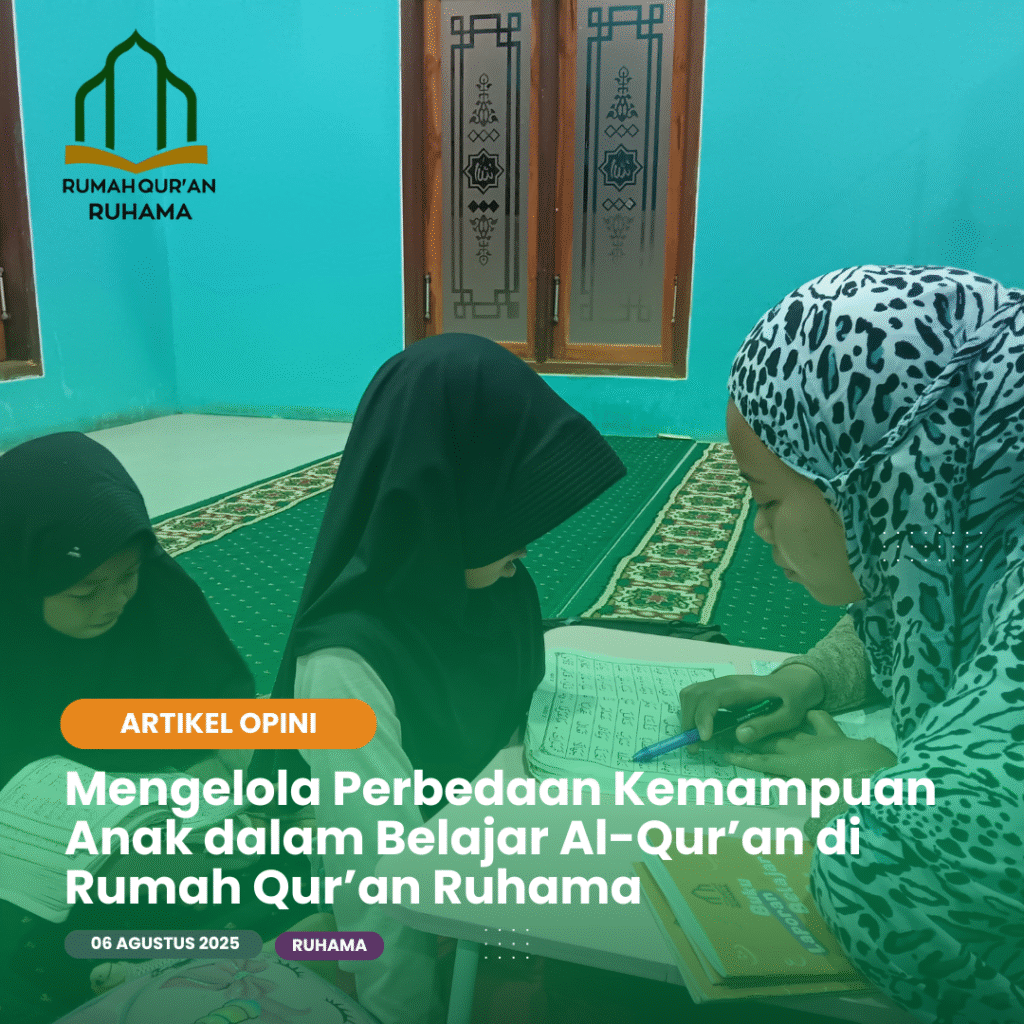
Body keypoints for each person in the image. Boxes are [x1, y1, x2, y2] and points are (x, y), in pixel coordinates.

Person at [679, 266, 1024, 1022]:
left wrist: (873, 780)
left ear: (876, 484)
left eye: (768, 498)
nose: (758, 530)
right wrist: (806, 678)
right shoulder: (976, 514)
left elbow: (889, 866)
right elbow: (909, 611)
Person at [269, 333, 627, 1024]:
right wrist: (406, 1013)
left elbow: (519, 728)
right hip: (401, 894)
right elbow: (376, 877)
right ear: (444, 495)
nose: (527, 543)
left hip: (479, 844)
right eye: (512, 508)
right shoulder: (344, 666)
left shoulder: (497, 586)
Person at [0, 431, 256, 1022]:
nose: (113, 602)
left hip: (160, 800)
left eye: (126, 577)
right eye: (85, 590)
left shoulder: (158, 594)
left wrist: (251, 781)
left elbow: (226, 712)